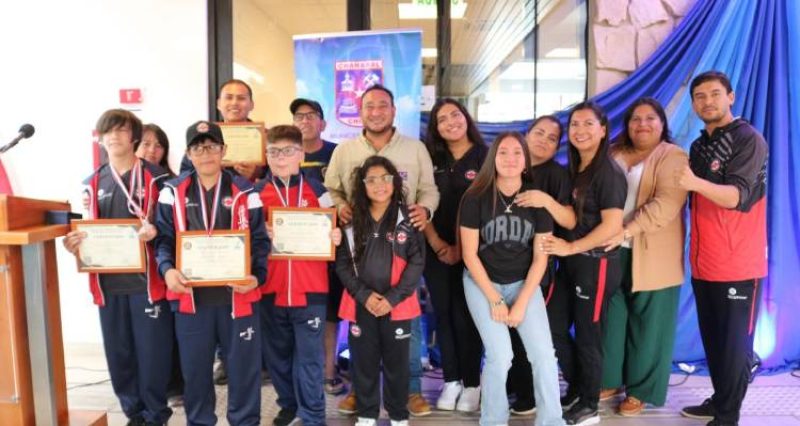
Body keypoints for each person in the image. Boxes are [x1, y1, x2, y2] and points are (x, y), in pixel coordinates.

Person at [324, 84, 439, 416]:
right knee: (361, 331)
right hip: (359, 250)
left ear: (393, 110)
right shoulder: (345, 151)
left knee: (407, 320)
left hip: (402, 250)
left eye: (383, 106)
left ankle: (410, 392)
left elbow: (430, 190)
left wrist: (426, 211)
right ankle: (362, 393)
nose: (376, 111)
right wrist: (341, 206)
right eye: (369, 106)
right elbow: (330, 189)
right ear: (360, 112)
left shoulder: (415, 149)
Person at [154, 120, 269, 426]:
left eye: (212, 146)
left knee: (244, 370)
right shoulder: (171, 193)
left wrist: (256, 277)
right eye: (198, 147)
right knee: (195, 371)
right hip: (191, 299)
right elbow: (164, 240)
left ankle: (245, 421)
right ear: (189, 154)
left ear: (224, 151)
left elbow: (260, 242)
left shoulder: (247, 192)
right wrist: (166, 271)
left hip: (238, 296)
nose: (206, 153)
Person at [63, 109, 173, 426]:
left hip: (146, 281)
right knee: (119, 354)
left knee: (152, 354)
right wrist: (75, 246)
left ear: (133, 136)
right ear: (99, 137)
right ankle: (133, 413)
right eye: (107, 131)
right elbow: (86, 231)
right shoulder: (92, 182)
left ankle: (155, 415)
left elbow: (174, 228)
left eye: (121, 130)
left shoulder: (159, 179)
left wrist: (156, 232)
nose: (113, 136)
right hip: (108, 283)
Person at [678, 71, 768, 426]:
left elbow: (736, 197)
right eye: (699, 96)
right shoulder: (699, 146)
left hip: (739, 263)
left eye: (715, 94)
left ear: (730, 96)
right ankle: (720, 399)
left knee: (733, 347)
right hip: (704, 262)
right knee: (714, 342)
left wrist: (693, 182)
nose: (707, 101)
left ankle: (728, 416)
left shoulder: (748, 139)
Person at [459, 132, 565, 426]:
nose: (510, 159)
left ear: (525, 161)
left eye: (517, 153)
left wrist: (521, 303)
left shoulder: (536, 200)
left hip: (524, 283)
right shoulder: (475, 197)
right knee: (500, 355)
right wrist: (495, 300)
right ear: (493, 158)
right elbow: (469, 255)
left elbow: (540, 258)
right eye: (503, 152)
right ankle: (492, 420)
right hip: (482, 283)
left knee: (544, 355)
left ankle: (552, 421)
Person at [598, 97, 688, 416]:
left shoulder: (674, 156)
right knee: (611, 318)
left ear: (662, 123)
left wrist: (623, 230)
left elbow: (665, 204)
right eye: (636, 118)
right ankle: (610, 379)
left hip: (653, 255)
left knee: (650, 325)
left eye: (651, 118)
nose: (642, 124)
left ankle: (640, 390)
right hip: (610, 251)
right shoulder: (613, 152)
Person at [540, 101, 627, 425]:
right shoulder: (577, 169)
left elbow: (611, 226)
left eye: (588, 124)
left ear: (603, 130)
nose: (580, 130)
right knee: (554, 324)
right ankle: (578, 386)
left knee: (590, 336)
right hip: (573, 264)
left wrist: (571, 247)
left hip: (597, 265)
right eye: (575, 124)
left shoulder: (608, 171)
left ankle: (589, 404)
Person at [254, 125, 342, 426]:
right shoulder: (255, 195)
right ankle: (288, 405)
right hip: (270, 288)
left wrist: (336, 234)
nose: (281, 158)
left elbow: (338, 224)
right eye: (274, 151)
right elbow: (242, 240)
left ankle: (313, 416)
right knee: (277, 357)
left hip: (311, 288)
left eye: (288, 151)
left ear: (301, 154)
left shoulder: (319, 191)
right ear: (266, 155)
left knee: (310, 358)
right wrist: (258, 233)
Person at [335, 156, 425, 426]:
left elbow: (417, 261)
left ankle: (398, 417)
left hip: (398, 306)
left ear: (395, 182)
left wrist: (392, 299)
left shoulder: (408, 217)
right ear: (362, 185)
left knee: (398, 366)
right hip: (360, 305)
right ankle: (366, 416)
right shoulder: (351, 219)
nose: (379, 185)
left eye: (385, 178)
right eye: (371, 179)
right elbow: (342, 264)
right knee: (363, 363)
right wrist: (363, 295)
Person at [507, 115, 575, 415]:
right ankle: (512, 383)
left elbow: (570, 220)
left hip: (538, 266)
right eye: (539, 133)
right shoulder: (507, 165)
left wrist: (545, 200)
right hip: (503, 264)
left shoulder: (556, 176)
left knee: (529, 332)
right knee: (506, 330)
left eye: (552, 138)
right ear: (526, 134)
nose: (543, 140)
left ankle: (529, 395)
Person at [422, 98, 486, 412]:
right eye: (442, 119)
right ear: (435, 128)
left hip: (476, 251)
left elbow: (491, 207)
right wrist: (436, 244)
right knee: (444, 314)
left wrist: (463, 248)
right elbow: (420, 202)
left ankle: (473, 383)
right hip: (436, 249)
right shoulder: (430, 157)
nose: (450, 122)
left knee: (468, 317)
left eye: (455, 115)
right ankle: (451, 380)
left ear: (466, 117)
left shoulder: (485, 156)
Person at [289, 98, 346, 395]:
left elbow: (345, 196)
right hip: (291, 251)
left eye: (311, 116)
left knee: (330, 312)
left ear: (323, 123)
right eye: (299, 116)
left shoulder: (337, 153)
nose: (305, 121)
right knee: (295, 311)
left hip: (329, 246)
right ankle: (295, 374)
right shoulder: (286, 155)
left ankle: (328, 370)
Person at [179, 79, 263, 182]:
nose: (234, 102)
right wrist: (208, 171)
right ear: (219, 104)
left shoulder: (265, 137)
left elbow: (278, 178)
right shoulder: (202, 136)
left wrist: (255, 174)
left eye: (241, 98)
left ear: (251, 104)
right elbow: (184, 178)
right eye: (228, 97)